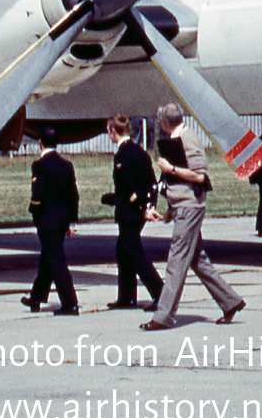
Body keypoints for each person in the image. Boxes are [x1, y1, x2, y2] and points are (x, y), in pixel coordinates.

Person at [142, 104, 245, 331]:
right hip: (182, 206)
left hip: (190, 207)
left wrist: (170, 169)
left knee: (176, 259)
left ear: (163, 121)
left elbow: (200, 176)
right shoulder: (174, 138)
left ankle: (164, 316)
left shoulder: (188, 139)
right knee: (197, 258)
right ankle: (230, 302)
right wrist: (171, 209)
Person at [103, 114, 162, 309]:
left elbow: (129, 188)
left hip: (131, 212)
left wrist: (141, 209)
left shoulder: (123, 155)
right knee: (123, 249)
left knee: (134, 251)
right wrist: (150, 205)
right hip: (138, 208)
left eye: (108, 132)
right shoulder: (140, 152)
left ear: (113, 132)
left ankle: (160, 293)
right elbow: (151, 183)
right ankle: (127, 297)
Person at [23, 126, 78, 315]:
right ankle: (36, 297)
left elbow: (37, 194)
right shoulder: (67, 165)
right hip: (62, 219)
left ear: (40, 143)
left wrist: (33, 211)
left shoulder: (39, 165)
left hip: (47, 219)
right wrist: (71, 221)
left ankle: (70, 303)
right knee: (48, 258)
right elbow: (73, 195)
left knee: (56, 261)